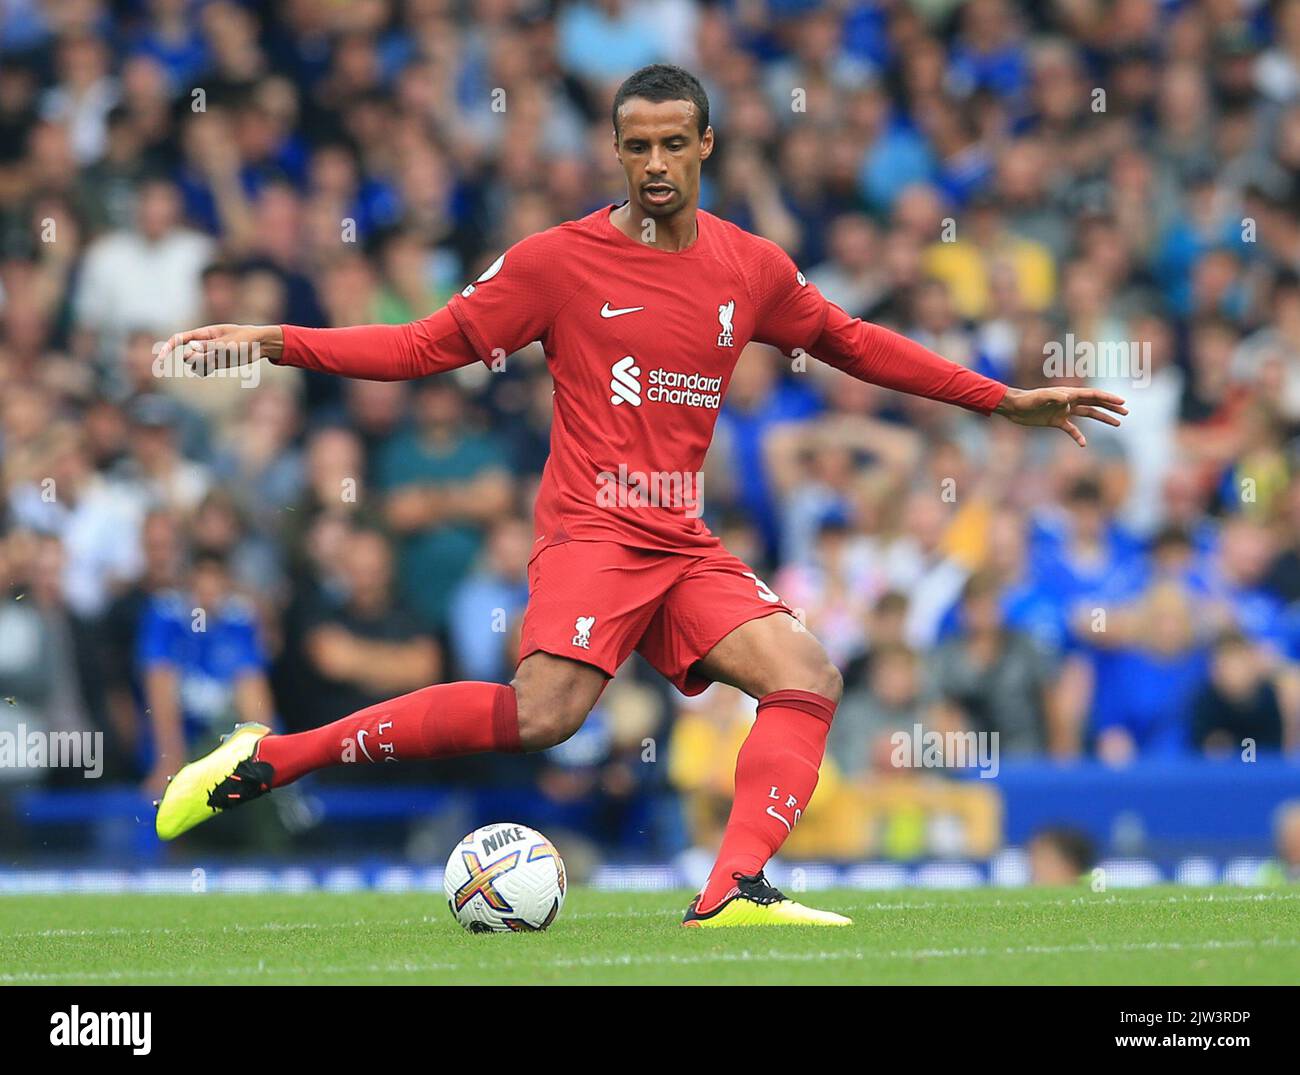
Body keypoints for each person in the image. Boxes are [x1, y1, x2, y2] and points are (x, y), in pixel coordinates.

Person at [154, 64, 1126, 928]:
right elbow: (421, 345)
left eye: (672, 143)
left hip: (679, 535)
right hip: (591, 529)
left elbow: (854, 341)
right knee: (545, 717)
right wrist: (279, 339)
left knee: (805, 674)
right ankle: (277, 755)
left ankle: (733, 889)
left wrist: (999, 400)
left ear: (706, 144)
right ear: (614, 152)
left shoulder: (750, 268)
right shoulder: (555, 262)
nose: (654, 162)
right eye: (635, 145)